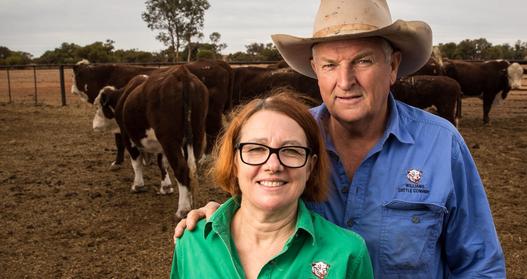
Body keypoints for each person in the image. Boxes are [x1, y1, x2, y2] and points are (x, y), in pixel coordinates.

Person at [176, 0, 507, 277]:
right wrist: (218, 219)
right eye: (330, 65)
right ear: (315, 70)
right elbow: (254, 213)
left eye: (363, 61)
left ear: (392, 66)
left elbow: (480, 264)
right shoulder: (289, 142)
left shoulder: (440, 144)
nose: (345, 81)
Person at [171, 92, 373, 278]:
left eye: (291, 150)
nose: (273, 165)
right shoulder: (192, 241)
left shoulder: (347, 254)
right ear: (234, 162)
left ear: (310, 167)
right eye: (256, 149)